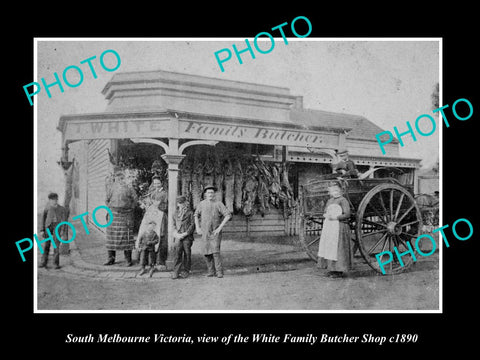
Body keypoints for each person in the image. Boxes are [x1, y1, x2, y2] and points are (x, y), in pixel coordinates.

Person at [194, 185, 232, 278]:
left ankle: (219, 272)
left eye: (212, 192)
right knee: (206, 252)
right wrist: (198, 228)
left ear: (214, 194)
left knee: (215, 252)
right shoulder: (201, 204)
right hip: (205, 232)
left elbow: (228, 215)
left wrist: (219, 228)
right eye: (208, 193)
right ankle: (211, 271)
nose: (210, 194)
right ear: (205, 194)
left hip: (215, 232)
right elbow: (195, 215)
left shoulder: (219, 204)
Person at [317, 182, 352, 278]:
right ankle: (331, 269)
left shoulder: (343, 200)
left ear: (341, 190)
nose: (335, 193)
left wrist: (336, 217)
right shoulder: (330, 201)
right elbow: (325, 211)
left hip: (339, 226)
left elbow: (347, 214)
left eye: (337, 190)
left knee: (338, 248)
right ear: (330, 192)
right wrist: (326, 215)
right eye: (333, 191)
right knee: (329, 247)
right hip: (330, 226)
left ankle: (339, 270)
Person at [104, 168, 138, 266]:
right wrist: (111, 208)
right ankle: (111, 259)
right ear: (115, 178)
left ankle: (128, 259)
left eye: (122, 178)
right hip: (113, 215)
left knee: (126, 237)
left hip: (125, 215)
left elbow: (135, 199)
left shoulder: (129, 188)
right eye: (118, 178)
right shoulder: (111, 188)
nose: (120, 180)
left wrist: (130, 208)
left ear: (124, 178)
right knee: (111, 237)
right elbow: (106, 200)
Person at [142, 175, 169, 271]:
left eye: (158, 183)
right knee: (151, 234)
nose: (156, 185)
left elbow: (166, 206)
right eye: (155, 183)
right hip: (153, 216)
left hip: (161, 216)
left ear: (161, 183)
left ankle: (160, 261)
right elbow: (149, 204)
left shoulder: (165, 193)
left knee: (160, 236)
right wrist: (147, 204)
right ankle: (150, 261)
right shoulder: (152, 192)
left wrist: (157, 205)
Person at [39, 192, 68, 269]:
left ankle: (56, 264)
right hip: (48, 227)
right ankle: (43, 262)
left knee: (56, 245)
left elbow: (64, 221)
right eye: (51, 200)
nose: (53, 201)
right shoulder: (47, 208)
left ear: (57, 200)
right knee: (46, 245)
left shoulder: (62, 209)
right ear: (49, 200)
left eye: (55, 200)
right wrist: (42, 230)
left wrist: (62, 230)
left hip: (57, 227)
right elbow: (43, 219)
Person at [172, 196, 195, 279]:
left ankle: (186, 270)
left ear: (186, 203)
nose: (181, 205)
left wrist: (185, 233)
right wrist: (176, 233)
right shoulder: (175, 213)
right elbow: (173, 224)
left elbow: (192, 225)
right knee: (177, 253)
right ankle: (176, 271)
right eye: (179, 203)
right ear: (177, 204)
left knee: (187, 253)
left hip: (187, 237)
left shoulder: (190, 213)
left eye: (182, 203)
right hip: (178, 236)